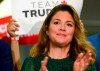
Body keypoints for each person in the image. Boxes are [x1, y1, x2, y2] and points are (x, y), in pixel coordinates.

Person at [7, 4, 97, 71]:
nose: (62, 28)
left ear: (74, 31)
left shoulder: (85, 65)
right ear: (46, 29)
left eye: (69, 24)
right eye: (56, 23)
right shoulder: (31, 63)